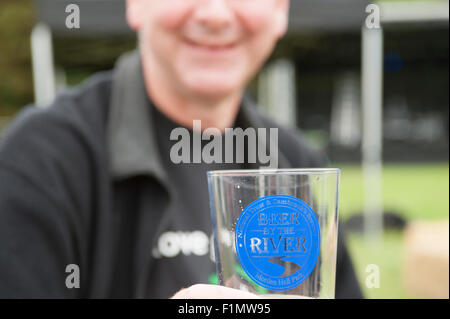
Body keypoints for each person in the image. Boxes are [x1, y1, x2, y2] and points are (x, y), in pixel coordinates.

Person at [0, 0, 362, 298]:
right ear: (135, 6)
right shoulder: (39, 163)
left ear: (280, 10)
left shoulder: (296, 163)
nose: (216, 14)